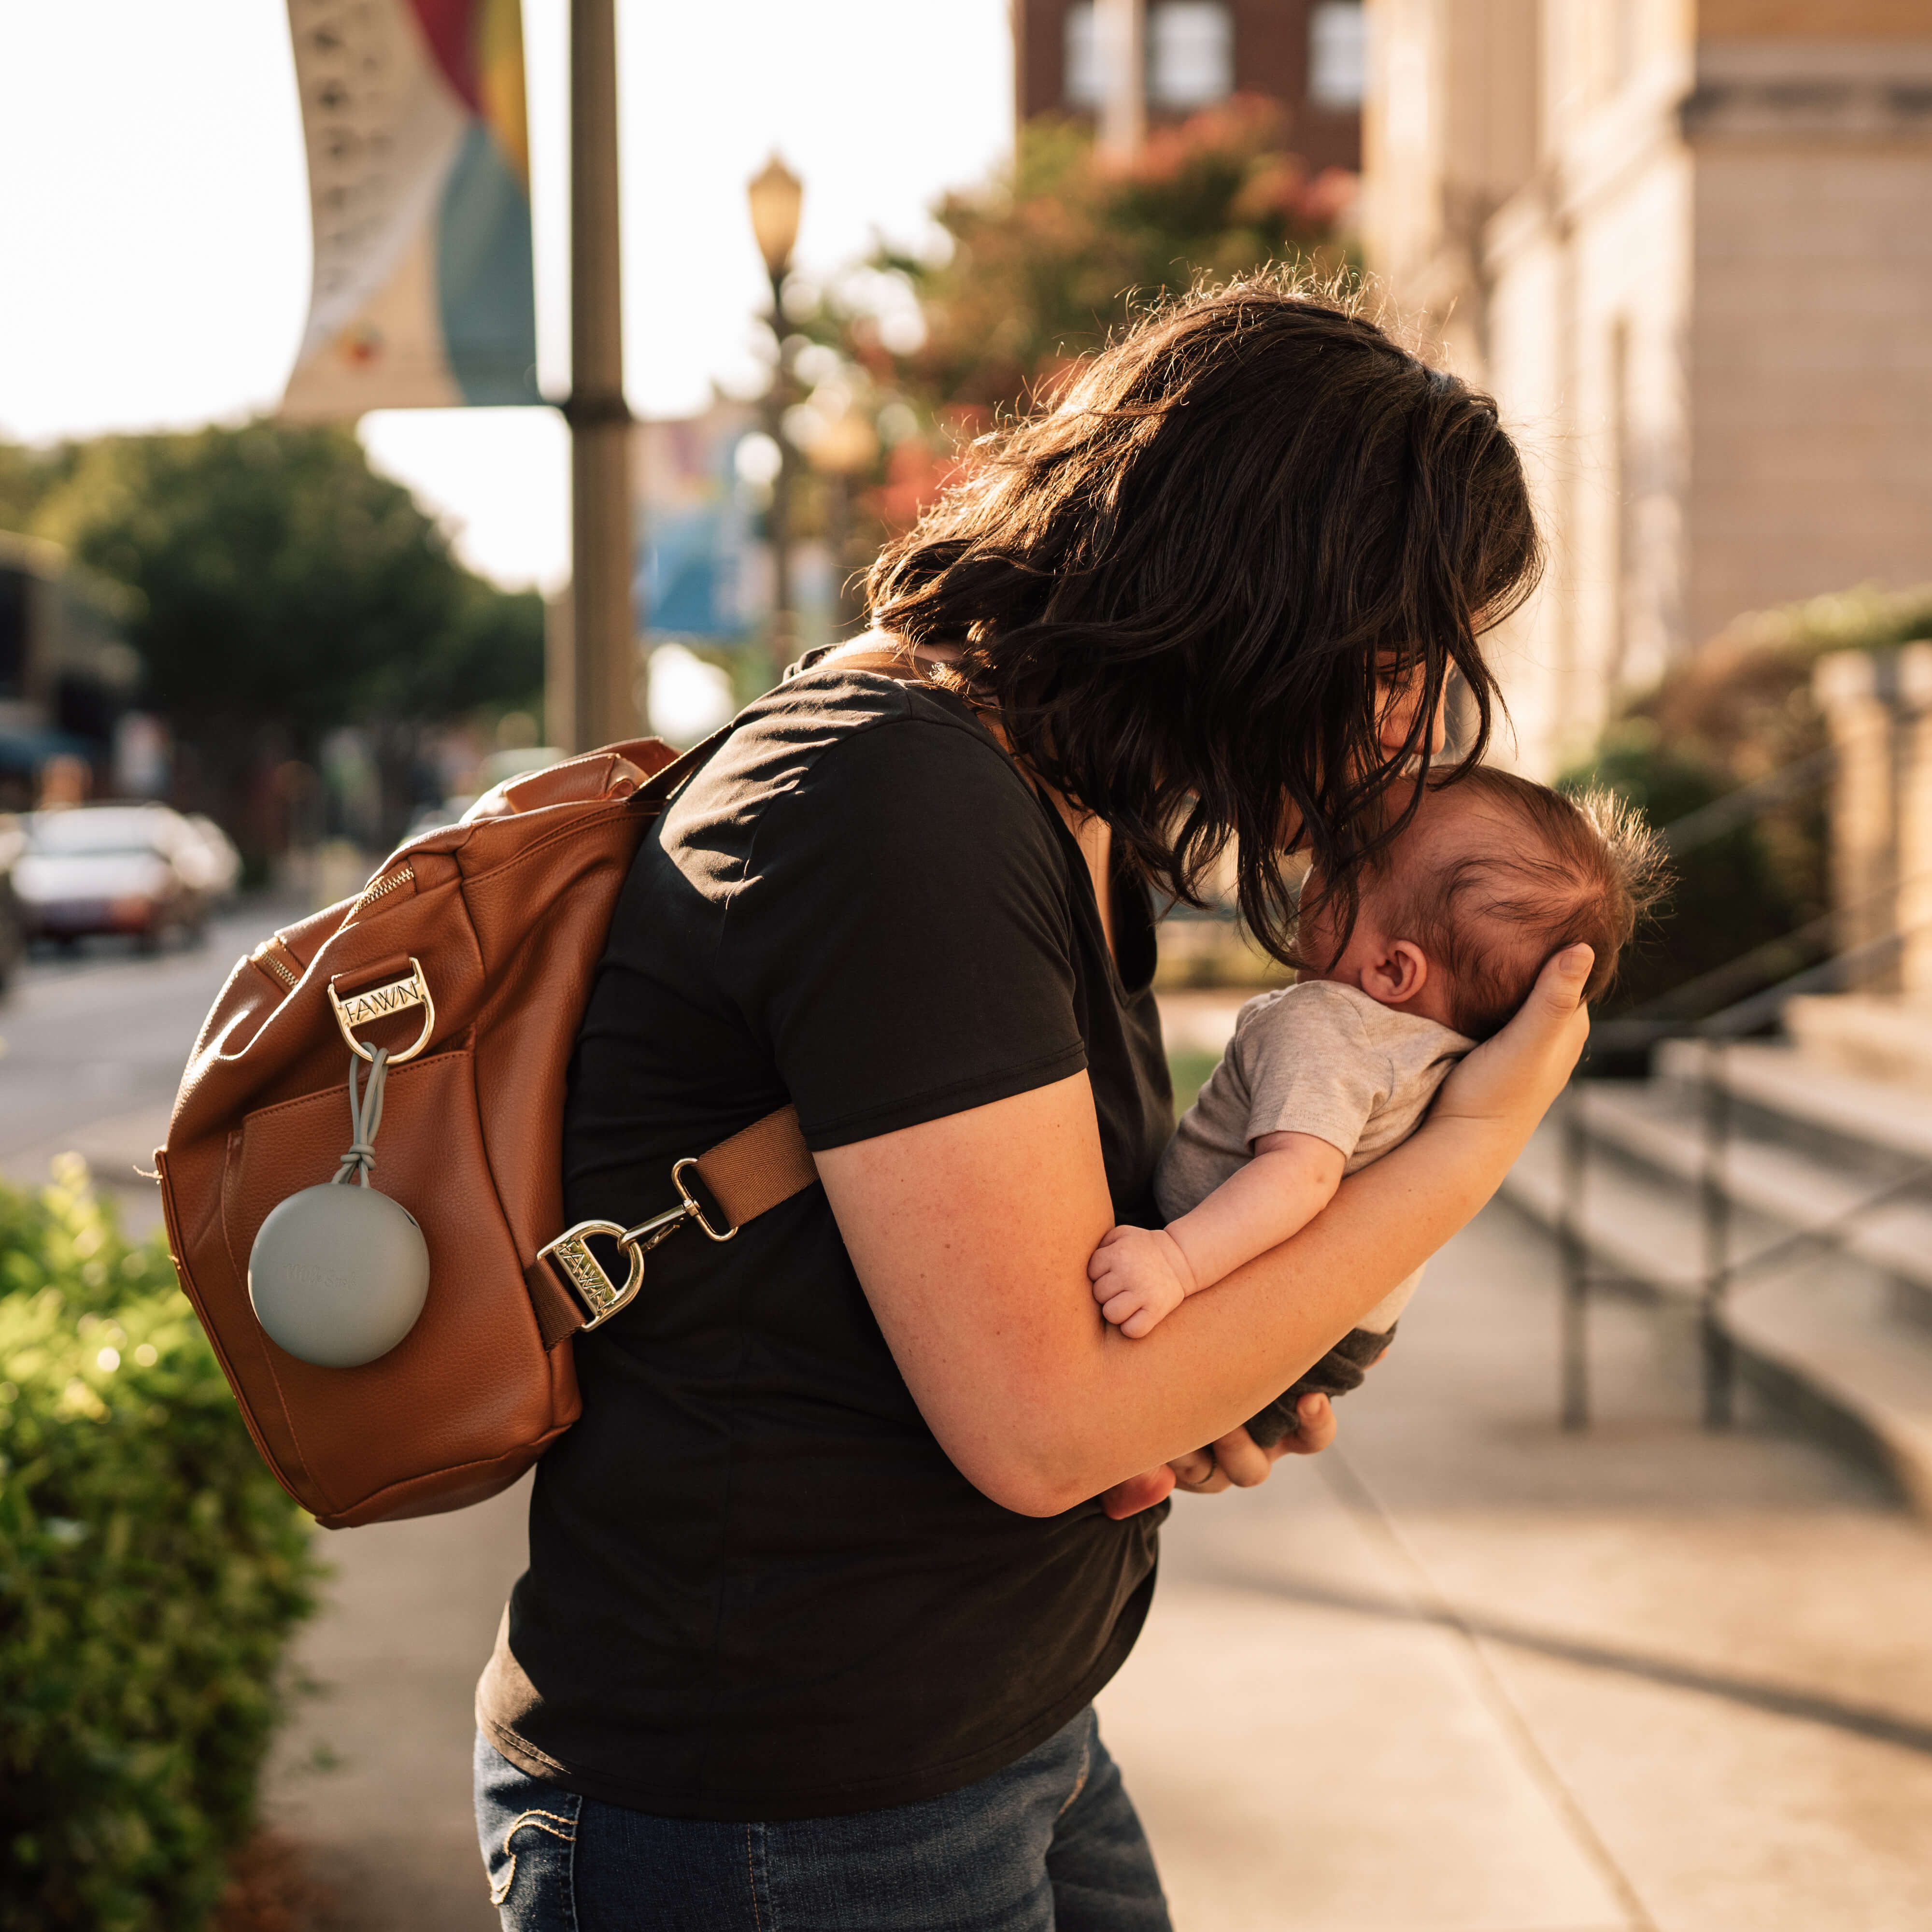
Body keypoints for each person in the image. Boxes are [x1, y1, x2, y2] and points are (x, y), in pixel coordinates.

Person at [472, 279, 1593, 1932]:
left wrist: (1217, 1372)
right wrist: (1481, 1139)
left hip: (988, 1728)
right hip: (784, 1804)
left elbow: (1072, 1303)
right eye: (1392, 654)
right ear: (1261, 593)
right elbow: (1043, 1421)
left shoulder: (1047, 796)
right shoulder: (896, 801)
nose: (1406, 722)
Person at [1090, 769, 1664, 1452]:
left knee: (1120, 1439)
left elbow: (1299, 1178)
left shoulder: (1327, 1026)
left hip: (1217, 1292)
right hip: (1338, 1327)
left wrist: (1175, 1263)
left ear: (1393, 970)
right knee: (1166, 1451)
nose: (1313, 866)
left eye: (1342, 865)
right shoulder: (1445, 1056)